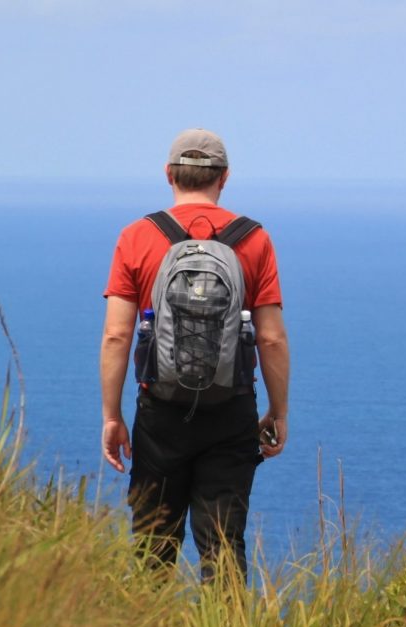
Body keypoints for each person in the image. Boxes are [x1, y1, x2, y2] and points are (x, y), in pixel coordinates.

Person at [99, 128, 289, 580]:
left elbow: (116, 336)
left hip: (160, 411)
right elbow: (272, 340)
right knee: (223, 547)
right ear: (223, 178)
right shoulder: (254, 240)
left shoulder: (136, 237)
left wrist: (112, 415)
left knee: (152, 546)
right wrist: (278, 411)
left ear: (169, 175)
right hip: (231, 410)